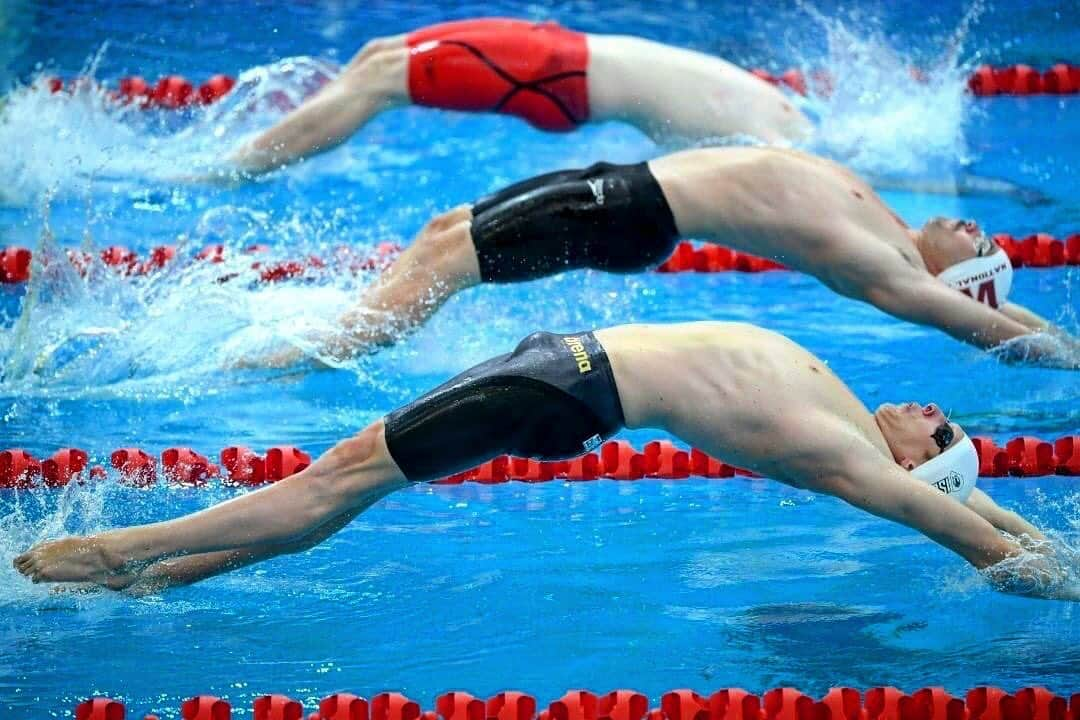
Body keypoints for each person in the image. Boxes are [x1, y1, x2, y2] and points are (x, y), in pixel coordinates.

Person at [14, 322, 1075, 599]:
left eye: (944, 433)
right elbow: (983, 516)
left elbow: (964, 530)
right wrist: (1035, 528)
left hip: (562, 387)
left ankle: (124, 552)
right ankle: (173, 569)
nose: (931, 408)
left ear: (922, 464)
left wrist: (1045, 560)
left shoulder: (852, 459)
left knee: (338, 478)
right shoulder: (849, 415)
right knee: (346, 486)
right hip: (559, 369)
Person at [253, 146, 1078, 369]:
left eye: (982, 247)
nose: (977, 231)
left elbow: (975, 321)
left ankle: (299, 356)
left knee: (446, 265)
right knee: (442, 236)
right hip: (621, 188)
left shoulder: (888, 266)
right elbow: (994, 304)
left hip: (630, 211)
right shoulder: (895, 224)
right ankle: (334, 327)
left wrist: (1064, 361)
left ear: (953, 277)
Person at [223, 18, 812, 178]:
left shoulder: (779, 136)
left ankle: (239, 167)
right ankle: (263, 149)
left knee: (381, 80)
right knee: (380, 54)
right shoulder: (788, 127)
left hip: (557, 73)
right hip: (560, 54)